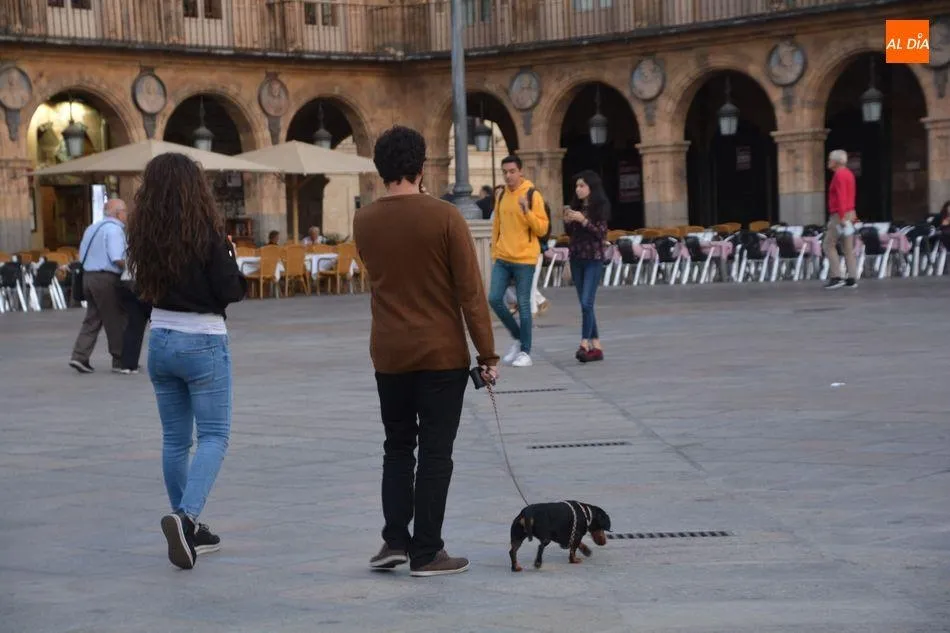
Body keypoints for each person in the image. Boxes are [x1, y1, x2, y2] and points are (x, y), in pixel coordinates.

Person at [354, 125, 499, 577]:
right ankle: (427, 551)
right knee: (436, 452)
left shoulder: (364, 220)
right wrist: (488, 356)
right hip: (440, 354)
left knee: (397, 447)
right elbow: (470, 293)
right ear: (421, 167)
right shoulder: (445, 217)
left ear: (380, 171)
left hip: (389, 353)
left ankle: (393, 540)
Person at [126, 153, 248, 570]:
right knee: (215, 436)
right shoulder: (209, 236)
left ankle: (187, 529)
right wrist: (231, 257)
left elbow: (140, 290)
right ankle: (186, 517)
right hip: (203, 341)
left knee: (176, 440)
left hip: (160, 339)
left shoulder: (143, 235)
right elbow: (229, 290)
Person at [488, 155, 549, 368]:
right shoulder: (502, 195)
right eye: (505, 172)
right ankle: (518, 337)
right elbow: (497, 225)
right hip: (503, 257)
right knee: (494, 298)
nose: (508, 175)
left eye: (512, 171)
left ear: (520, 171)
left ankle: (525, 352)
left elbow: (542, 228)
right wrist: (495, 251)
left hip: (525, 259)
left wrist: (527, 211)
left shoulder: (533, 195)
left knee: (523, 304)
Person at [69, 198, 129, 374]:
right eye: (125, 211)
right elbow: (117, 258)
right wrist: (134, 269)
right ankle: (120, 359)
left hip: (88, 277)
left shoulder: (92, 228)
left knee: (93, 317)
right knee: (115, 318)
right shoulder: (115, 230)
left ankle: (79, 356)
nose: (127, 215)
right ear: (118, 213)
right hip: (106, 279)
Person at [564, 170, 609, 362]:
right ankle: (596, 345)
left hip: (593, 259)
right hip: (577, 258)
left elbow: (600, 234)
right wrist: (568, 220)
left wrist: (583, 220)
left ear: (591, 188)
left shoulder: (600, 207)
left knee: (586, 302)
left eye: (582, 186)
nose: (578, 189)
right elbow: (571, 234)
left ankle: (584, 342)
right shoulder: (576, 207)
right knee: (586, 304)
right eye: (577, 186)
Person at [822, 149, 858, 289]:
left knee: (828, 244)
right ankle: (852, 277)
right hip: (850, 212)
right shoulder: (849, 174)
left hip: (839, 214)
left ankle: (836, 276)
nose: (828, 162)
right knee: (848, 247)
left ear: (835, 162)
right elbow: (851, 195)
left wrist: (842, 217)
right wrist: (851, 213)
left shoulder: (839, 175)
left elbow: (841, 196)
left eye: (830, 159)